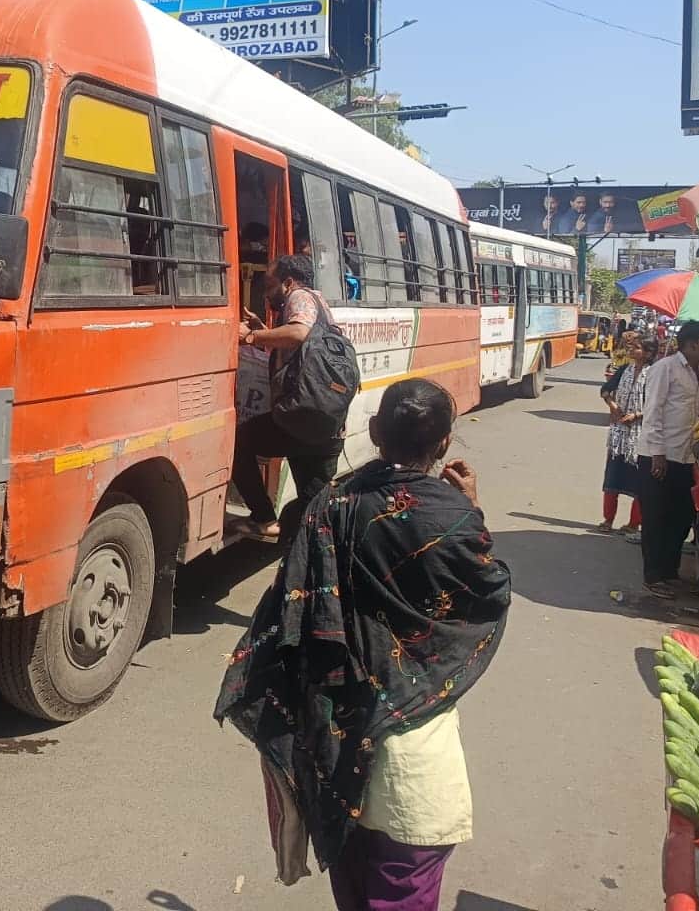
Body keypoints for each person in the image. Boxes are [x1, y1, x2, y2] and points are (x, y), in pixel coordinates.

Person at [215, 379, 512, 911]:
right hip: (410, 739)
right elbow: (488, 589)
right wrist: (472, 513)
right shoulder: (450, 517)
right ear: (444, 443)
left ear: (374, 433)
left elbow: (292, 612)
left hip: (334, 735)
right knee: (404, 881)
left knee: (353, 883)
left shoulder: (329, 502)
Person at [232, 254, 347, 542]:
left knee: (238, 442)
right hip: (327, 421)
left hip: (301, 417)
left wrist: (251, 337)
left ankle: (264, 518)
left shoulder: (299, 297)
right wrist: (264, 330)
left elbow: (298, 333)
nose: (267, 292)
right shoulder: (319, 302)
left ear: (288, 282)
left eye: (270, 285)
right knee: (314, 504)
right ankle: (319, 560)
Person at [637, 319, 699, 600]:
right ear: (692, 343)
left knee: (682, 518)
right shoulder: (665, 368)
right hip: (661, 455)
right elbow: (653, 412)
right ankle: (653, 576)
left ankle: (670, 572)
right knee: (656, 519)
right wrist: (658, 453)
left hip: (690, 459)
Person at [598, 335, 652, 537]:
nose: (631, 349)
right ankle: (607, 519)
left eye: (637, 348)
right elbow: (605, 390)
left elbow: (657, 404)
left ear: (648, 353)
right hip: (619, 433)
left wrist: (637, 415)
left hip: (641, 434)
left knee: (639, 483)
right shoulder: (624, 370)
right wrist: (612, 405)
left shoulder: (654, 374)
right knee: (612, 477)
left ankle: (633, 523)